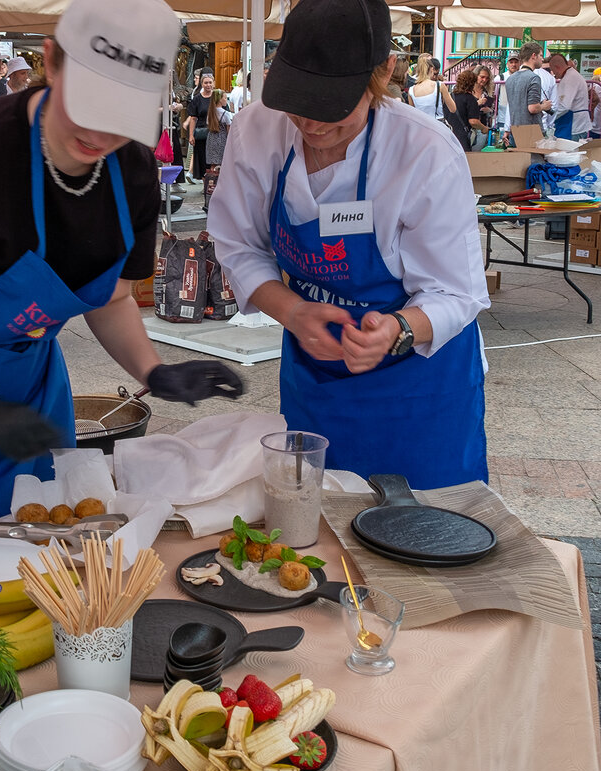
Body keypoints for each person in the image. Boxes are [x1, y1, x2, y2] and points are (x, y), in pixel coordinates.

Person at [0, 0, 243, 591]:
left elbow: (109, 298)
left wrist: (154, 370)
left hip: (25, 396)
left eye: (121, 116)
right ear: (50, 62)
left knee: (39, 582)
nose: (98, 134)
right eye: (89, 104)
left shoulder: (129, 172)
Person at [208, 0, 489, 490]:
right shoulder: (258, 129)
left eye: (334, 111)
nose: (313, 126)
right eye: (299, 104)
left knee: (426, 536)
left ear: (383, 73)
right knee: (315, 529)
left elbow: (456, 292)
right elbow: (238, 245)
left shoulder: (424, 152)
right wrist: (293, 312)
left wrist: (398, 329)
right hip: (318, 377)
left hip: (421, 387)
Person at [503, 41, 551, 145]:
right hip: (531, 132)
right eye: (540, 55)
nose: (542, 59)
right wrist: (544, 106)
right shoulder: (534, 78)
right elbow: (532, 108)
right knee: (533, 161)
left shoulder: (510, 79)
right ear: (533, 56)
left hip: (515, 130)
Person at [549, 53, 592, 141]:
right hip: (574, 125)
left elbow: (564, 106)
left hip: (574, 127)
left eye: (553, 70)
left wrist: (550, 117)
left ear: (557, 67)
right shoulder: (571, 75)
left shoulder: (570, 78)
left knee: (570, 153)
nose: (553, 73)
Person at [408, 55, 456, 120]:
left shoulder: (411, 90)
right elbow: (453, 109)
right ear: (432, 69)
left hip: (422, 125)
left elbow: (412, 114)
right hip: (437, 124)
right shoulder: (440, 85)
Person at [452, 70, 489, 152]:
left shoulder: (450, 96)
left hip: (449, 136)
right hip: (462, 138)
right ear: (472, 83)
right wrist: (484, 128)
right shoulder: (470, 99)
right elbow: (473, 121)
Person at [187, 72, 214, 181]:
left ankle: (213, 183)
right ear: (202, 84)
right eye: (206, 83)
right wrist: (191, 135)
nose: (208, 85)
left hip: (215, 132)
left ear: (213, 83)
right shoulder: (197, 99)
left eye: (210, 83)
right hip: (201, 132)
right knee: (202, 158)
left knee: (213, 159)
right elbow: (193, 118)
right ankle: (205, 183)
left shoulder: (216, 97)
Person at [205, 88, 232, 168]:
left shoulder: (210, 113)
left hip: (211, 139)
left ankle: (211, 179)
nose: (226, 100)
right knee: (222, 163)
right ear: (220, 99)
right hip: (222, 139)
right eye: (225, 98)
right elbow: (229, 130)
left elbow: (207, 124)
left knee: (212, 164)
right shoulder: (226, 114)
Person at [494, 51, 519, 130]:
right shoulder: (500, 78)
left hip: (518, 119)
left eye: (516, 62)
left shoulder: (523, 77)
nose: (513, 65)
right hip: (502, 118)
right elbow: (495, 96)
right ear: (507, 64)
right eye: (511, 62)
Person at [534, 55, 557, 131]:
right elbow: (554, 105)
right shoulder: (550, 79)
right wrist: (549, 125)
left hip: (520, 125)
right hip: (542, 125)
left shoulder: (516, 76)